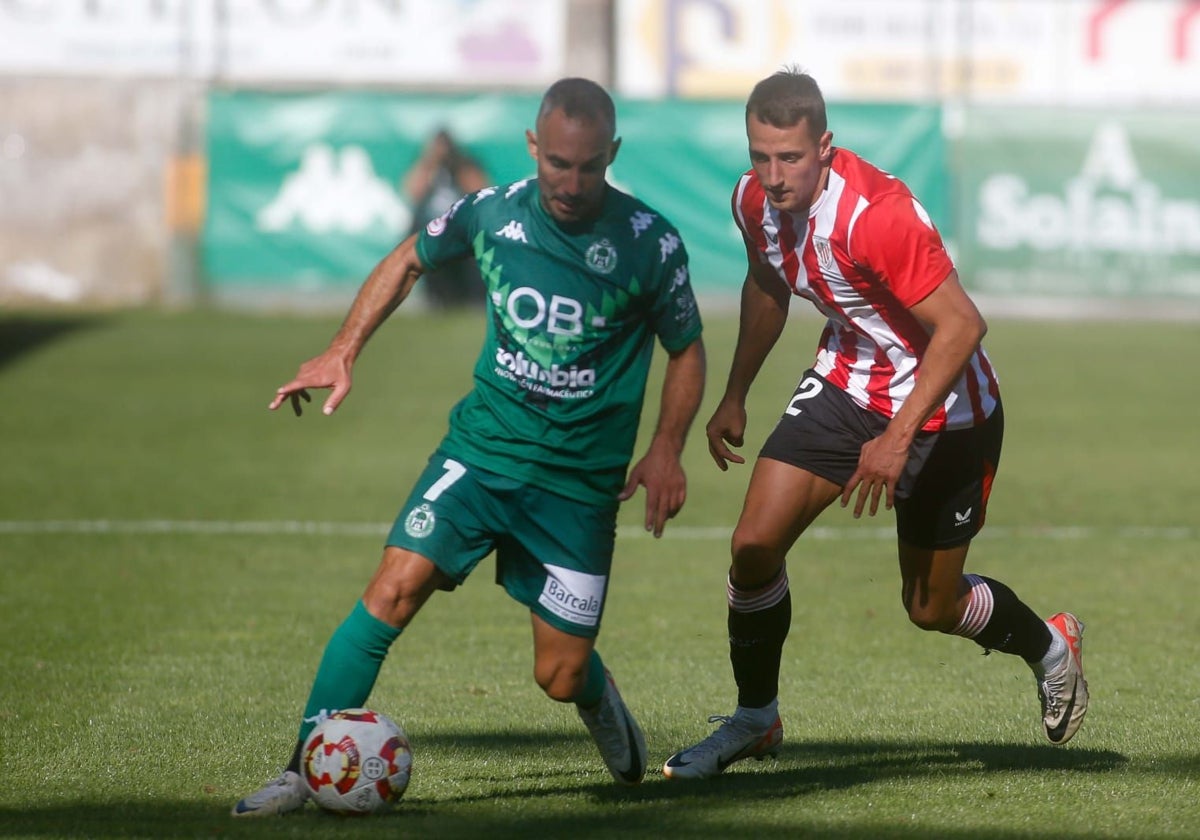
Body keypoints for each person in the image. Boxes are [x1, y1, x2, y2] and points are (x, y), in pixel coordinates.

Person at [232, 77, 706, 816]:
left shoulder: (651, 243)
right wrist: (343, 347)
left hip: (579, 486)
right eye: (557, 163)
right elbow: (408, 257)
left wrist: (667, 447)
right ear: (532, 148)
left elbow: (687, 349)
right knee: (392, 588)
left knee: (557, 674)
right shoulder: (492, 213)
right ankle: (298, 771)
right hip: (481, 453)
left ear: (612, 153)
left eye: (588, 166)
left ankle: (596, 694)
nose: (572, 183)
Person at [661, 69, 1087, 781]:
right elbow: (767, 283)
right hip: (846, 383)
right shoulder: (752, 201)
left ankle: (1049, 645)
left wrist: (896, 439)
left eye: (789, 157)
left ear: (824, 146)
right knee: (753, 547)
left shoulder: (876, 214)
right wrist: (735, 391)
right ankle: (755, 718)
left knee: (930, 606)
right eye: (759, 156)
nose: (773, 175)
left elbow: (961, 328)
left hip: (947, 408)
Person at [402, 128, 490, 308]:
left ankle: (474, 299)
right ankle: (439, 298)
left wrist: (458, 165)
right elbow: (412, 191)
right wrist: (431, 162)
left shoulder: (465, 164)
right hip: (431, 228)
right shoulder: (427, 166)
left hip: (462, 227)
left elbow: (480, 190)